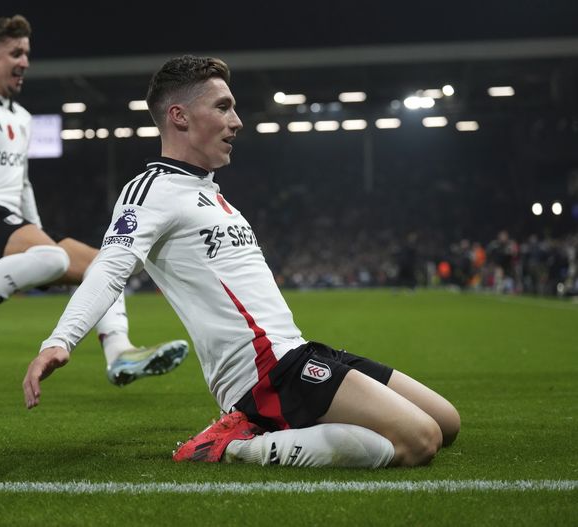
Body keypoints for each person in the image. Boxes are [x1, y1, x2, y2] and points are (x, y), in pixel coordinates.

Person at [23, 55, 461, 469]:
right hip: (264, 373)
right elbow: (110, 267)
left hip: (296, 351)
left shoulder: (211, 194)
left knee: (447, 422)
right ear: (180, 116)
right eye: (223, 107)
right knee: (419, 441)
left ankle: (286, 424)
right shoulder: (151, 190)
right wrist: (60, 340)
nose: (237, 121)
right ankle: (235, 444)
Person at [0, 15, 188, 389]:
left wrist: (36, 229)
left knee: (107, 264)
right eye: (15, 53)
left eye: (27, 54)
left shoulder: (21, 117)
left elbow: (22, 183)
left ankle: (119, 352)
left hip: (12, 224)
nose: (25, 62)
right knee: (54, 256)